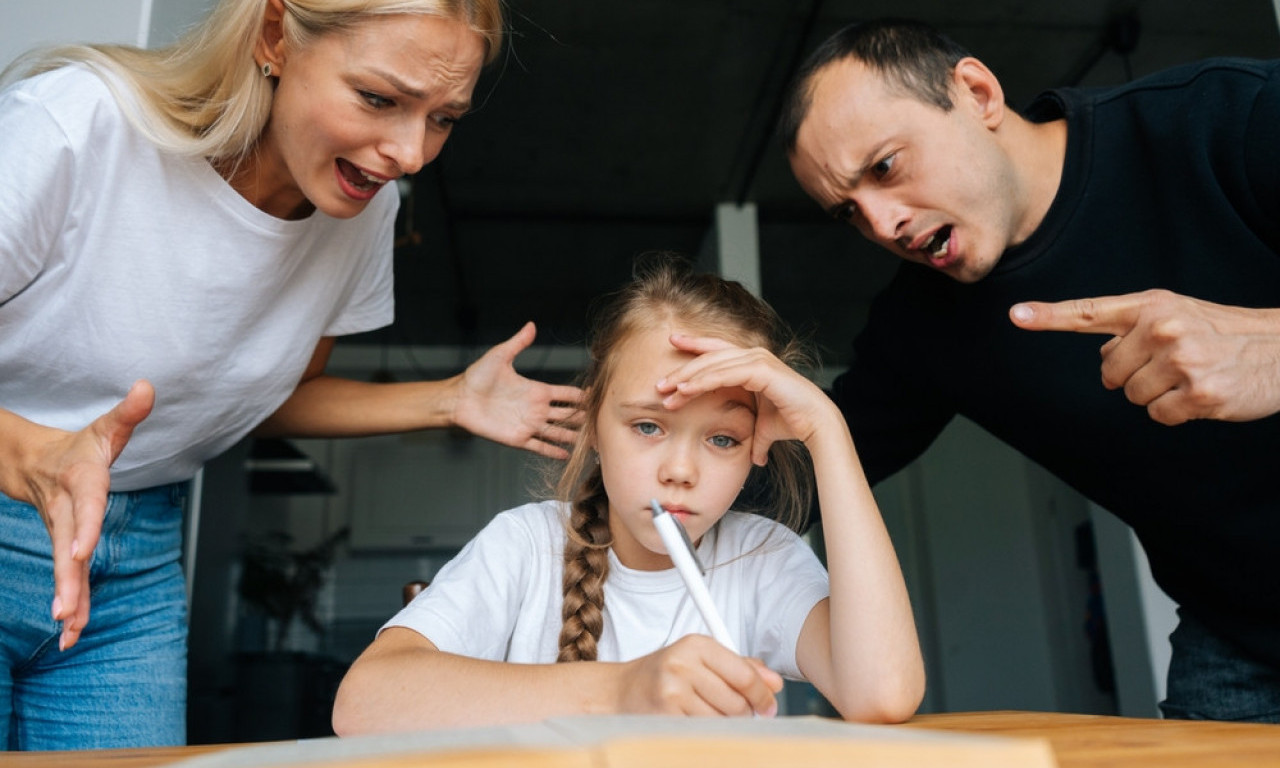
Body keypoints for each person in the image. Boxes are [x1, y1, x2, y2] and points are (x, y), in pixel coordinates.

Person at [0, 0, 584, 750]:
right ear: (274, 35)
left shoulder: (361, 209)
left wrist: (449, 399)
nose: (409, 152)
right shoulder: (81, 124)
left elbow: (271, 395)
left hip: (136, 557)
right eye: (379, 99)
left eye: (443, 118)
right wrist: (33, 455)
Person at [778, 18, 1280, 722]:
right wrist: (640, 433)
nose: (883, 224)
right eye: (849, 211)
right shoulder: (923, 325)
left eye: (886, 167)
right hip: (1242, 633)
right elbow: (798, 472)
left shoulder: (1228, 117)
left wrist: (1272, 347)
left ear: (978, 93)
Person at [330, 257, 925, 733]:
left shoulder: (760, 557)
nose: (681, 471)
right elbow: (362, 704)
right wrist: (623, 690)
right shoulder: (527, 546)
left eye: (723, 438)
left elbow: (883, 694)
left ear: (756, 446)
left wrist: (829, 432)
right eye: (648, 427)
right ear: (593, 425)